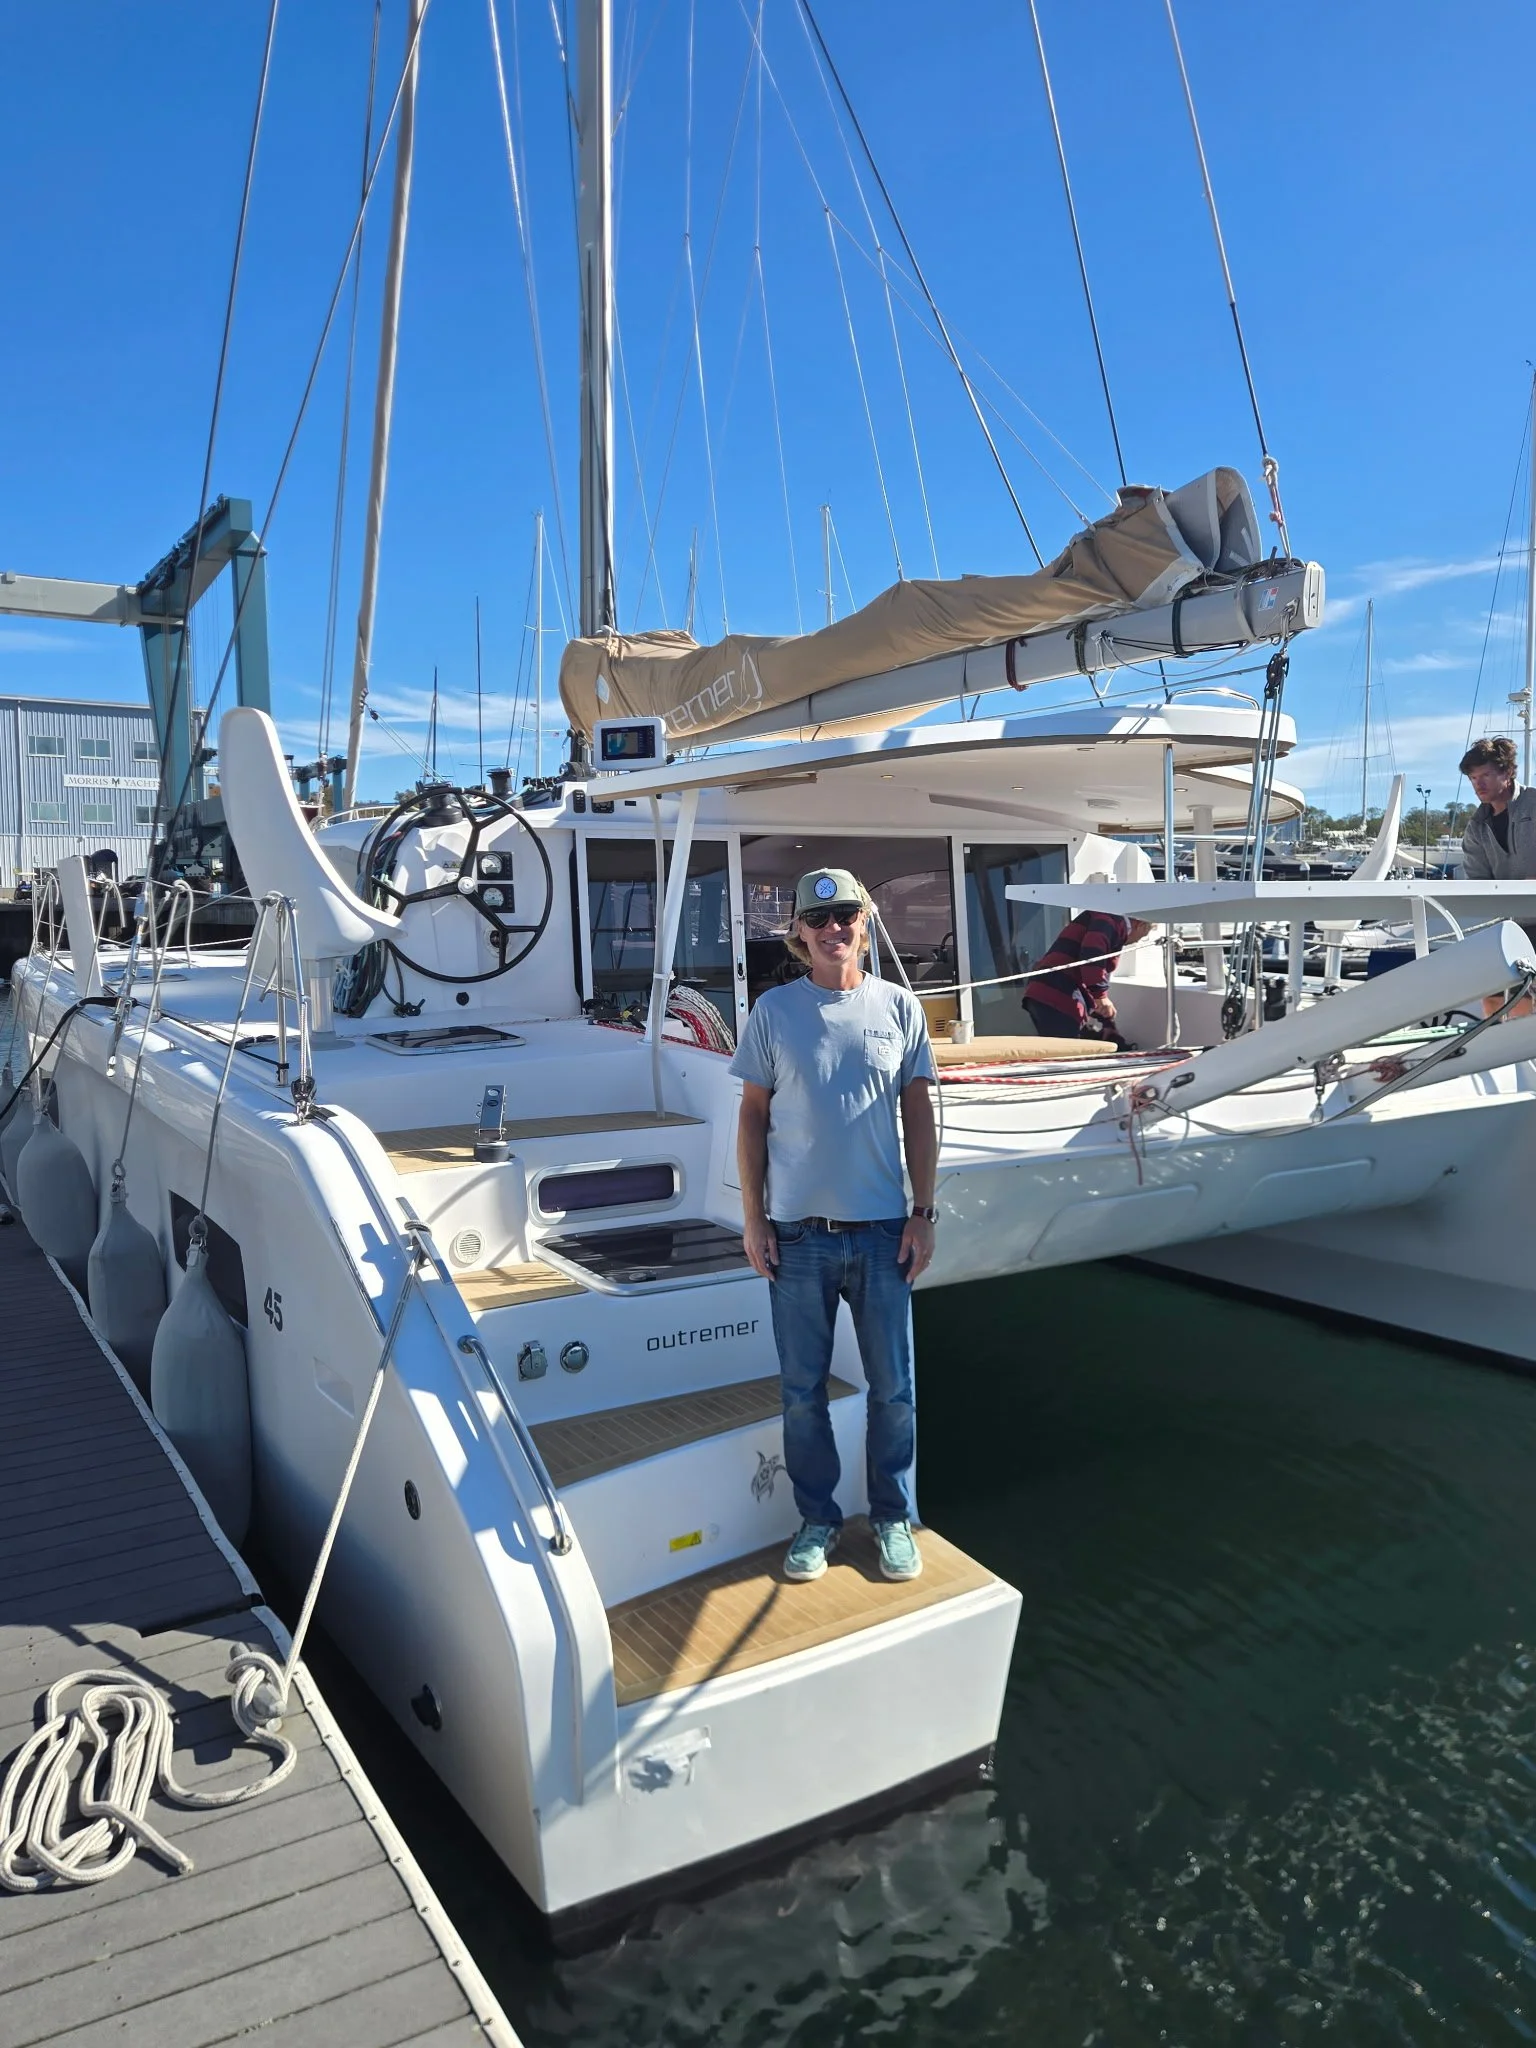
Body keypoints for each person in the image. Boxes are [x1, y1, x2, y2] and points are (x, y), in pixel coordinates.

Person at [730, 868, 938, 1585]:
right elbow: (753, 1116)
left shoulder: (901, 1008)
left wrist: (924, 1212)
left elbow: (918, 1115)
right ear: (799, 934)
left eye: (845, 914)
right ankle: (817, 1519)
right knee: (801, 1392)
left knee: (894, 1391)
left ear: (864, 921)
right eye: (818, 919)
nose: (833, 928)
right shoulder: (773, 1012)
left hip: (884, 1232)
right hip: (797, 1236)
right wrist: (753, 1218)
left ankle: (892, 1518)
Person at [1459, 734, 1536, 1018]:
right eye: (1473, 778)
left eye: (1486, 775)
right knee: (1492, 996)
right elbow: (1479, 882)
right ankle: (1505, 1056)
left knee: (1527, 996)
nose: (1479, 784)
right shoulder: (1477, 827)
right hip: (1509, 924)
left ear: (1507, 772)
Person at [1021, 910, 1156, 1045]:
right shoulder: (1108, 922)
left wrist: (1108, 1023)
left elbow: (1092, 975)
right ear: (1141, 925)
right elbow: (1091, 957)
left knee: (1062, 1049)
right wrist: (1101, 996)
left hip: (1044, 994)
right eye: (1144, 936)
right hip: (1058, 995)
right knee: (1067, 1055)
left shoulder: (1107, 923)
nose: (1136, 941)